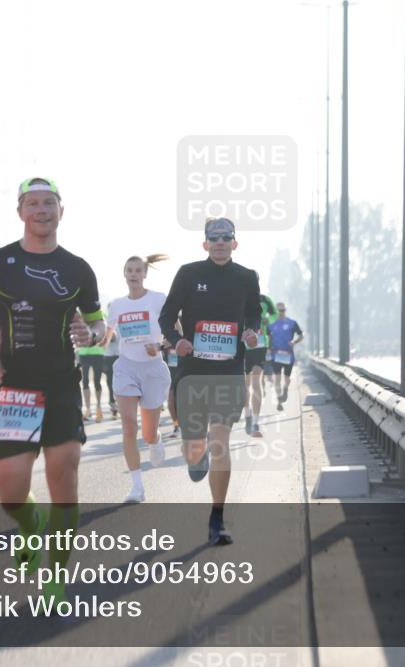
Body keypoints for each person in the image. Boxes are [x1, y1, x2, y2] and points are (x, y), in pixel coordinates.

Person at [0, 177, 104, 607]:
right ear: (20, 211)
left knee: (64, 476)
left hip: (61, 383)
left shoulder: (78, 268)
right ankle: (30, 525)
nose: (41, 210)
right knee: (10, 491)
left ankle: (56, 579)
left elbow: (99, 324)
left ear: (61, 210)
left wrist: (92, 332)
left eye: (49, 203)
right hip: (14, 385)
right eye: (33, 203)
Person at [159, 217, 260, 546]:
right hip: (193, 373)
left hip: (229, 372)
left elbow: (254, 313)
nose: (219, 242)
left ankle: (217, 517)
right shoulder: (189, 274)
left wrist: (252, 331)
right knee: (194, 451)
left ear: (235, 243)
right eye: (213, 238)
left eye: (225, 237)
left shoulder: (246, 277)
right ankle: (196, 454)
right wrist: (177, 340)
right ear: (204, 243)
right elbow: (166, 316)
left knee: (220, 441)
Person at [106, 254, 171, 503]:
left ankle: (155, 440)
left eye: (137, 270)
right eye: (129, 270)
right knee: (129, 426)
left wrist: (159, 346)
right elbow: (107, 335)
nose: (133, 274)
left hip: (152, 369)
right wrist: (93, 338)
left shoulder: (158, 299)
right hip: (126, 367)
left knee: (148, 433)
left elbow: (176, 332)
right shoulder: (116, 305)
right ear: (124, 274)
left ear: (145, 274)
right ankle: (137, 487)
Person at [243, 289, 278, 437]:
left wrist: (267, 320)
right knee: (246, 383)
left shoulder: (265, 299)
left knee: (257, 379)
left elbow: (275, 314)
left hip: (260, 343)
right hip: (242, 345)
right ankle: (248, 415)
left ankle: (256, 422)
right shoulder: (239, 296)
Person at [269, 302, 304, 411]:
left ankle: (286, 388)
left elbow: (301, 335)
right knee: (277, 378)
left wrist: (294, 341)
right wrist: (268, 348)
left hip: (288, 354)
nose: (281, 312)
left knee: (287, 378)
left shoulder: (292, 323)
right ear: (275, 311)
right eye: (279, 310)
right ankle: (279, 401)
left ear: (285, 310)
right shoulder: (271, 324)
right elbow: (267, 337)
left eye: (283, 310)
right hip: (276, 355)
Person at [77, 343, 105, 422]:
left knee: (97, 381)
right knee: (85, 380)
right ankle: (88, 409)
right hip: (84, 353)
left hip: (98, 352)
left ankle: (98, 408)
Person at [101, 322, 119, 419]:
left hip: (120, 355)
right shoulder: (106, 323)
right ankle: (113, 406)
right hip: (108, 356)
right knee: (110, 382)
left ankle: (121, 404)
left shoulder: (123, 321)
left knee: (121, 382)